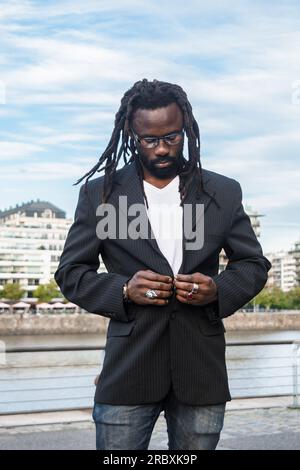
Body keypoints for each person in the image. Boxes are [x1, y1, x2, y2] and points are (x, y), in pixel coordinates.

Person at [54, 79, 271, 450]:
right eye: (149, 140)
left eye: (172, 137)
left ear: (186, 129)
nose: (162, 149)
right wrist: (123, 289)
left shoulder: (222, 191)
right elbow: (72, 272)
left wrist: (218, 290)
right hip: (128, 371)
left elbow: (252, 263)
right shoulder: (101, 194)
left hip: (200, 371)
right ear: (131, 134)